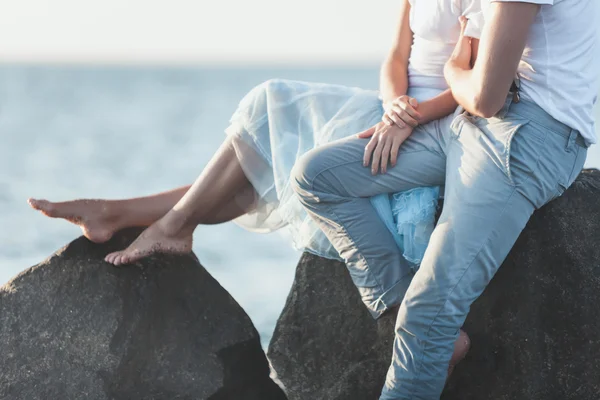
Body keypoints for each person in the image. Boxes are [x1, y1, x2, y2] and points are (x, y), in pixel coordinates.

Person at [29, 0, 486, 383]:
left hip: (440, 124)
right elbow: (395, 56)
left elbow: (477, 80)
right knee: (271, 116)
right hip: (391, 108)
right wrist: (392, 107)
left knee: (273, 127)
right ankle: (127, 215)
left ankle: (141, 217)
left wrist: (411, 118)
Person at [291, 0, 600, 398]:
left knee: (429, 311)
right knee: (317, 177)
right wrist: (404, 112)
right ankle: (399, 308)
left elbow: (484, 93)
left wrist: (453, 71)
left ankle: (422, 332)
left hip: (526, 135)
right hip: (468, 123)